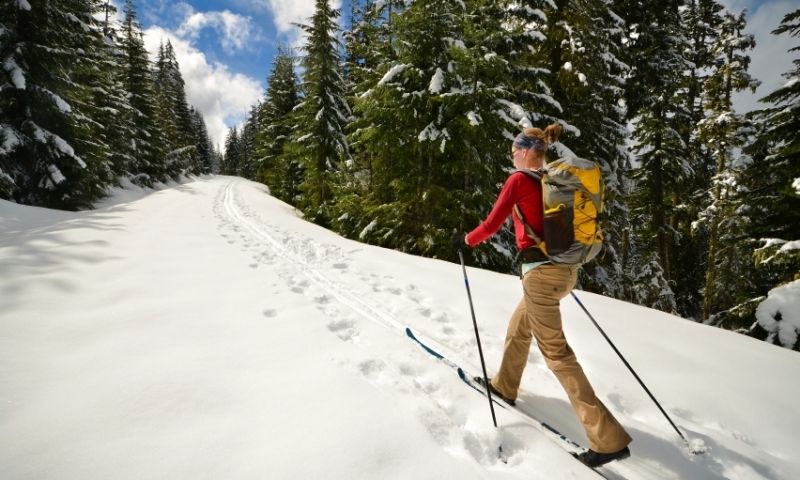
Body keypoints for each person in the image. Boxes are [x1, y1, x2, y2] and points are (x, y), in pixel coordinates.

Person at [452, 125, 632, 467]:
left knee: (558, 355)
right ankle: (504, 386)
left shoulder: (519, 180)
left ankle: (607, 441)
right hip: (565, 272)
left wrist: (465, 241)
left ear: (524, 151)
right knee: (519, 327)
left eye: (513, 153)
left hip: (541, 277)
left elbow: (491, 225)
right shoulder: (552, 181)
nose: (512, 159)